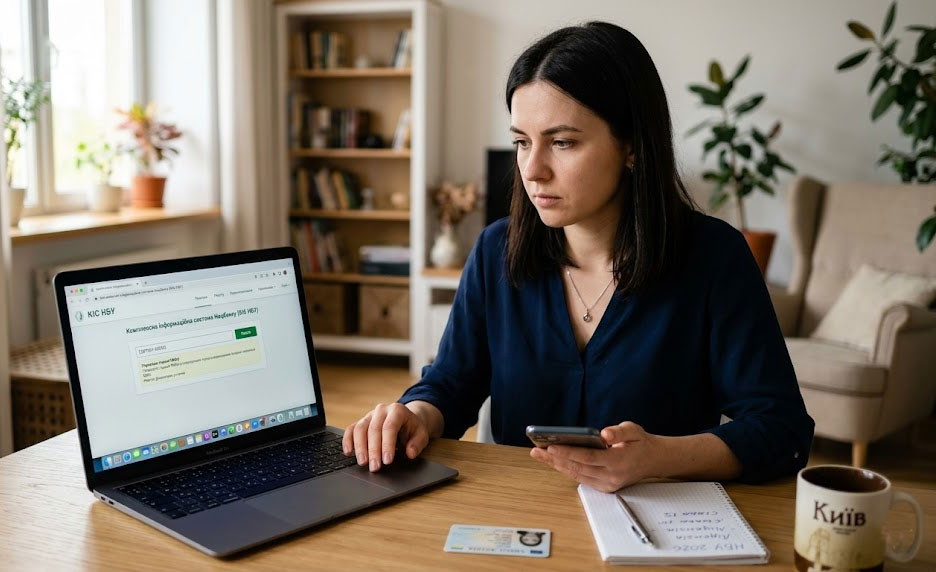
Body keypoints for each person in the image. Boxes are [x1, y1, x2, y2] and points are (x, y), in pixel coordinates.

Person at [342, 21, 814, 492]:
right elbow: (450, 385)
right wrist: (414, 415)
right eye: (522, 142)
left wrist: (657, 457)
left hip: (658, 525)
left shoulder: (715, 257)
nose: (532, 170)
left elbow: (782, 431)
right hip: (517, 518)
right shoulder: (495, 251)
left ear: (631, 147)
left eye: (562, 142)